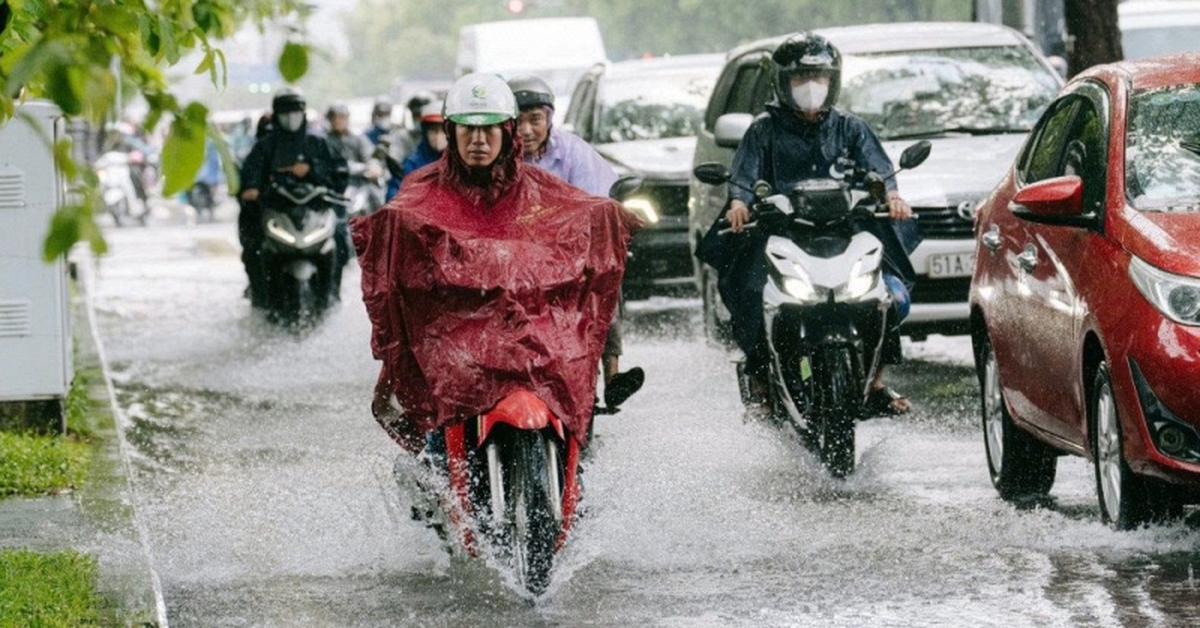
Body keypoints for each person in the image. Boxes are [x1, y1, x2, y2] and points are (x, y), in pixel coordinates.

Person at [352, 72, 640, 454]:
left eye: (489, 129)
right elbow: (397, 245)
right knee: (434, 440)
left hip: (534, 329)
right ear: (451, 133)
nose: (478, 140)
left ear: (507, 132)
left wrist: (614, 218)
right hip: (457, 340)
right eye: (467, 130)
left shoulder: (541, 185)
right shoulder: (421, 190)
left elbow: (582, 209)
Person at [698, 32, 919, 415]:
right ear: (783, 82)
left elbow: (879, 173)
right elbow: (743, 179)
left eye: (819, 78)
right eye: (801, 78)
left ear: (833, 81)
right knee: (750, 292)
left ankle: (877, 380)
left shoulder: (851, 128)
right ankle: (762, 378)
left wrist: (892, 197)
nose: (811, 87)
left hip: (844, 232)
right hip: (779, 234)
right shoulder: (762, 129)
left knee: (890, 293)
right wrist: (739, 204)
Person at [508, 74, 644, 409]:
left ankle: (611, 372)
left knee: (607, 279)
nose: (526, 130)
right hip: (512, 259)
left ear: (549, 118)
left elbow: (597, 202)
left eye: (534, 120)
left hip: (571, 253)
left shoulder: (574, 152)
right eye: (518, 122)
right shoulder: (495, 156)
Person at [237, 87, 348, 306]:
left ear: (303, 113)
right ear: (277, 115)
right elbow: (249, 177)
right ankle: (261, 298)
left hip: (313, 216)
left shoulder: (318, 144)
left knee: (341, 241)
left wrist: (311, 172)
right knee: (253, 248)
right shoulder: (264, 148)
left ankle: (333, 294)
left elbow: (339, 175)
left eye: (295, 111)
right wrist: (251, 190)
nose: (291, 117)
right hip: (277, 215)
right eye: (285, 112)